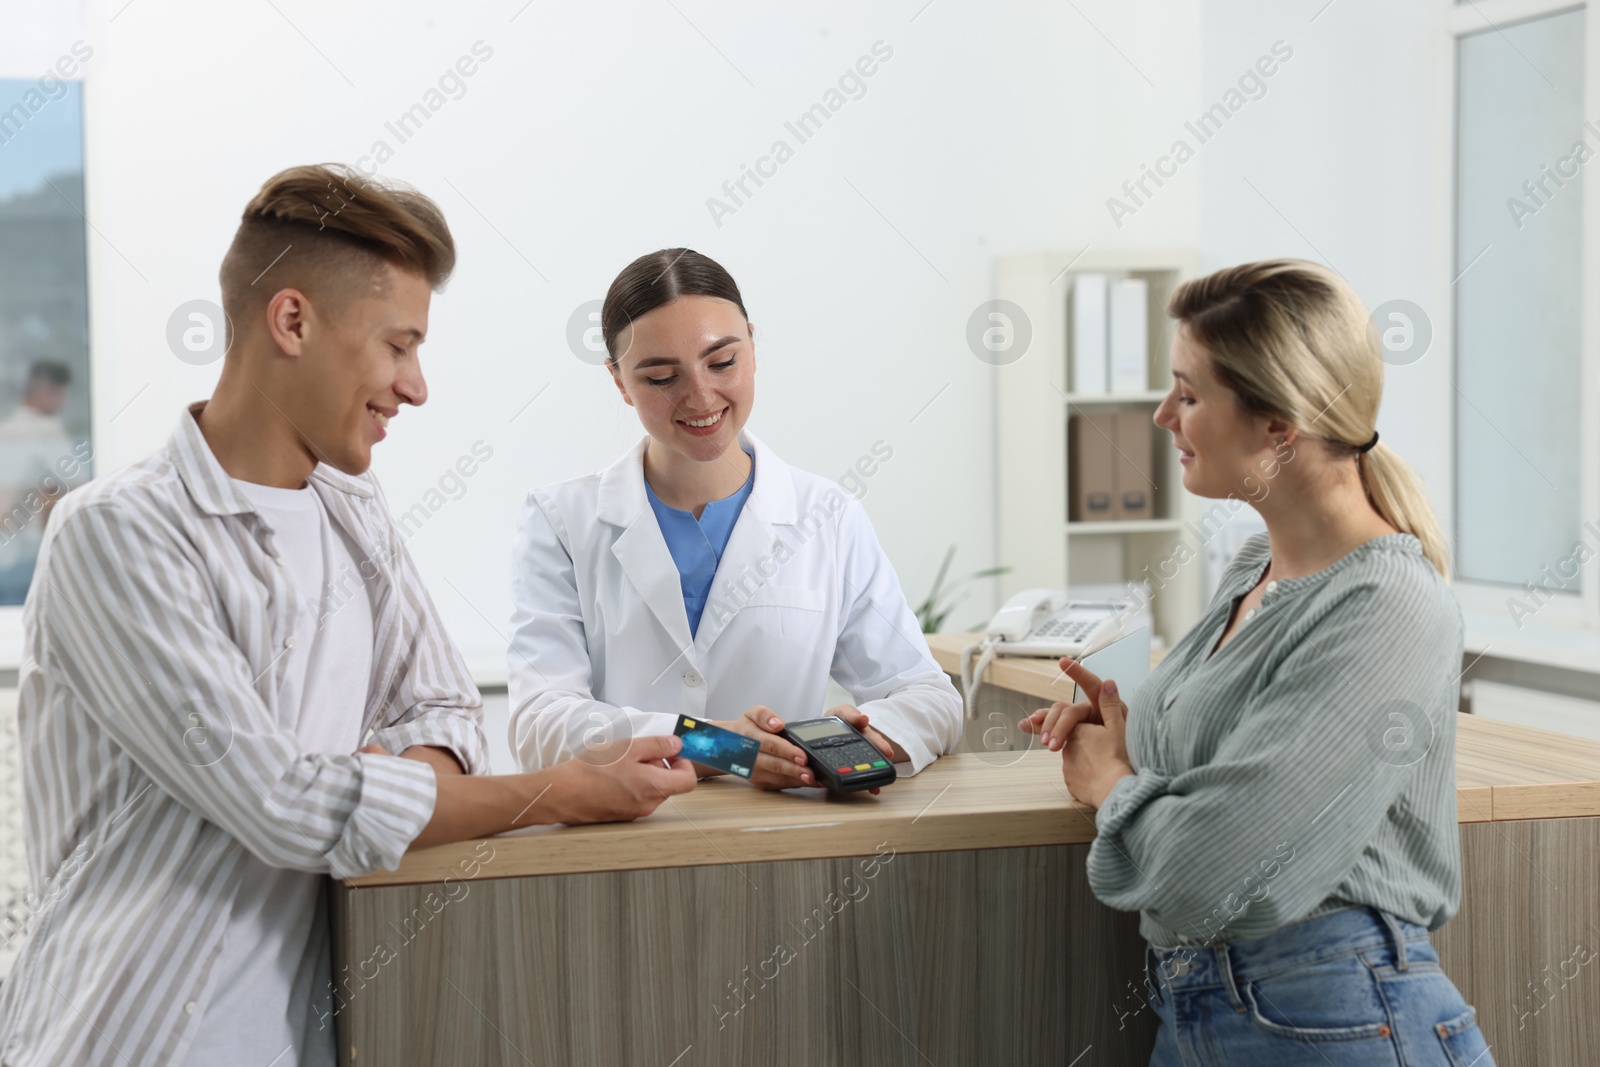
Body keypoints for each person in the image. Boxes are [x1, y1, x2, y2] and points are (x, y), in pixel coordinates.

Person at [0, 165, 696, 1067]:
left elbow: (447, 713)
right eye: (398, 345)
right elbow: (282, 802)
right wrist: (558, 790)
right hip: (121, 1038)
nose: (416, 386)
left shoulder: (351, 511)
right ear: (292, 321)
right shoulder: (118, 535)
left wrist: (378, 780)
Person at [1023, 261, 1494, 1066]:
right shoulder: (1253, 568)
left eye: (1190, 393)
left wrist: (1111, 783)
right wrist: (1128, 738)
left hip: (1336, 1017)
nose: (1164, 414)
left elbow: (1225, 868)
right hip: (1207, 1009)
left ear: (1280, 426)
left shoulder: (1390, 607)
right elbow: (1235, 785)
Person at [508, 249, 962, 787]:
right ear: (619, 382)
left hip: (787, 843)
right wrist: (722, 748)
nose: (701, 397)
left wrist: (858, 739)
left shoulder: (827, 516)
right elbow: (541, 723)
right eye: (659, 377)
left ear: (752, 345)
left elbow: (929, 696)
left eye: (722, 363)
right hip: (626, 847)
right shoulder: (562, 521)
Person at [0, 360, 91, 604]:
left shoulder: (5, 429)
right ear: (46, 392)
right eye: (62, 395)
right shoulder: (44, 429)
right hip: (24, 558)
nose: (63, 404)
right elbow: (82, 489)